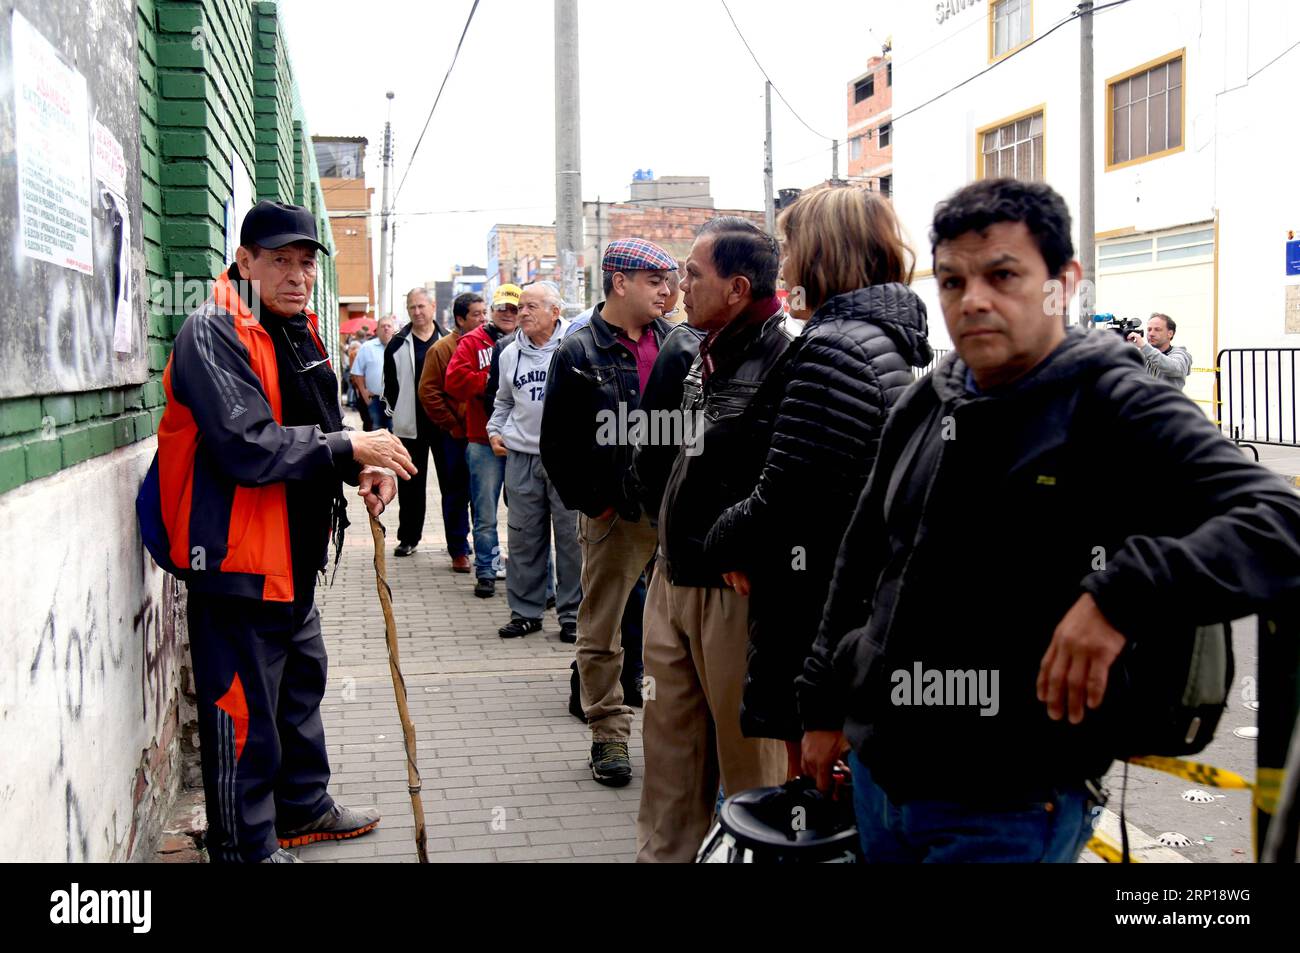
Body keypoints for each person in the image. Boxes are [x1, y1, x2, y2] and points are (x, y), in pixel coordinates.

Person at [798, 177, 1300, 863]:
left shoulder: (1114, 401)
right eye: (951, 281)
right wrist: (824, 706)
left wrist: (1120, 594)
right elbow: (860, 559)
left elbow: (1279, 521)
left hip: (1009, 805)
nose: (972, 299)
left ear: (1063, 282)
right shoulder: (928, 399)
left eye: (1002, 275)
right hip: (880, 783)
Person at [136, 200, 417, 863]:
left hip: (291, 556)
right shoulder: (213, 332)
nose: (297, 276)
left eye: (306, 263)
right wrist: (352, 450)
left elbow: (321, 433)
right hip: (234, 560)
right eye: (280, 262)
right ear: (245, 261)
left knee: (299, 687)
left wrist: (363, 472)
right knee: (243, 710)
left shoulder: (299, 331)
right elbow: (248, 446)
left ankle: (302, 805)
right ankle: (245, 847)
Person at [702, 184, 931, 778]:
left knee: (813, 801)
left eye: (789, 247)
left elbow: (787, 496)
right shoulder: (876, 342)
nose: (784, 264)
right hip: (842, 606)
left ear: (822, 255)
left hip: (815, 617)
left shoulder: (832, 350)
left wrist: (721, 538)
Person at [633, 217, 797, 862]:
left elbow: (792, 484)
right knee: (670, 756)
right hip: (673, 579)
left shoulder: (787, 360)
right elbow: (660, 455)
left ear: (735, 286)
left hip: (735, 593)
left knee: (751, 769)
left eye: (693, 275)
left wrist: (746, 551)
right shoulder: (697, 352)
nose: (680, 285)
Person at [540, 238, 677, 786]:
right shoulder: (578, 351)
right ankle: (608, 736)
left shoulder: (678, 343)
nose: (667, 291)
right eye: (654, 280)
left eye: (670, 280)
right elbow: (557, 443)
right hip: (611, 513)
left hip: (669, 508)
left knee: (676, 627)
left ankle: (669, 734)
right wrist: (592, 502)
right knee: (602, 630)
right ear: (620, 282)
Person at [487, 283, 582, 641]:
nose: (522, 313)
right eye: (521, 307)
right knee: (524, 539)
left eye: (531, 307)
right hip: (522, 457)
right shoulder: (509, 353)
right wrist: (495, 430)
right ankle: (525, 611)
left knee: (572, 541)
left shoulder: (575, 347)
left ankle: (572, 615)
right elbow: (504, 401)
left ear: (555, 312)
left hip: (567, 459)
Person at [445, 284, 522, 596]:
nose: (508, 313)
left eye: (514, 309)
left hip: (521, 442)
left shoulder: (529, 341)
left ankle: (524, 573)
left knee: (525, 515)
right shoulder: (472, 342)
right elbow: (453, 382)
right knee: (485, 513)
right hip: (481, 439)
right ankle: (487, 571)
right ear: (492, 311)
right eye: (502, 308)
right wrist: (491, 381)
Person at [382, 289, 463, 567]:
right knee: (410, 485)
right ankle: (408, 538)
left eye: (421, 306)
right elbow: (389, 386)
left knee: (451, 484)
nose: (417, 312)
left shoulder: (449, 341)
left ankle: (457, 544)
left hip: (444, 425)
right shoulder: (397, 343)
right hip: (408, 427)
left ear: (432, 306)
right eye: (411, 307)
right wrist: (395, 415)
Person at [418, 292, 484, 576]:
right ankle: (458, 550)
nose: (484, 318)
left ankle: (485, 550)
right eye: (477, 314)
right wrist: (452, 424)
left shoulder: (489, 344)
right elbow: (428, 392)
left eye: (485, 312)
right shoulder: (442, 349)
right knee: (456, 493)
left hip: (482, 435)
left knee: (482, 496)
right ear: (460, 319)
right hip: (456, 437)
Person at [351, 315, 395, 432]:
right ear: (377, 330)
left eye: (389, 326)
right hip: (374, 400)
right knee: (374, 434)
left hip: (395, 400)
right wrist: (364, 393)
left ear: (393, 329)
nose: (386, 328)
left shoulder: (400, 346)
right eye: (382, 326)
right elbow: (357, 373)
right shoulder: (367, 347)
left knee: (396, 435)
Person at [1127, 312, 1191, 390]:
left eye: (1157, 330)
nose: (1151, 334)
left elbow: (1174, 368)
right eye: (1149, 329)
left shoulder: (1180, 354)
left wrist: (1144, 346)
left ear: (1170, 334)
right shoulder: (1143, 354)